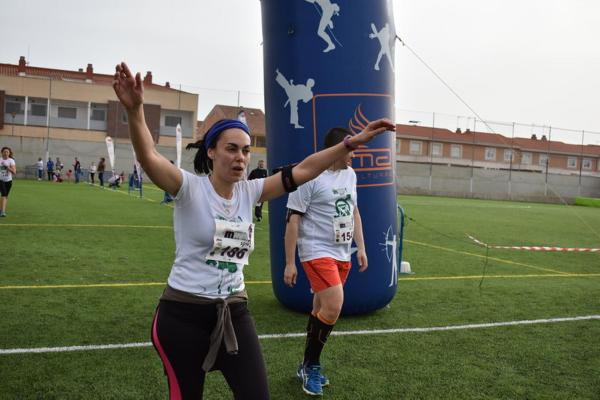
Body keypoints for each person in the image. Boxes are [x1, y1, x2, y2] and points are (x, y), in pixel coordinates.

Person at [112, 61, 393, 400]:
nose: (241, 157)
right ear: (212, 151)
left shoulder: (252, 191)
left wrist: (350, 143)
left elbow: (304, 169)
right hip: (183, 315)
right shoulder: (188, 188)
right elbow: (149, 157)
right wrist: (135, 111)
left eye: (246, 150)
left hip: (234, 311)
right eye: (231, 148)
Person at [283, 127, 368, 396]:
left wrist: (361, 247)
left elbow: (354, 210)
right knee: (334, 305)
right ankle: (312, 365)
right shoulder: (309, 176)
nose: (353, 155)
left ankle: (305, 365)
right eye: (350, 150)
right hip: (316, 250)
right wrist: (290, 262)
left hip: (342, 252)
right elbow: (292, 219)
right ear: (338, 149)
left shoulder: (350, 174)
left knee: (320, 307)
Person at [0, 147, 17, 217]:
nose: (6, 153)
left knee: (5, 196)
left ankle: (1, 209)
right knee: (3, 194)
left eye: (7, 152)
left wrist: (7, 167)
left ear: (9, 153)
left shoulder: (11, 161)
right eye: (4, 151)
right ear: (2, 152)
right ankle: (3, 212)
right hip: (0, 180)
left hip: (8, 181)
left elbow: (14, 172)